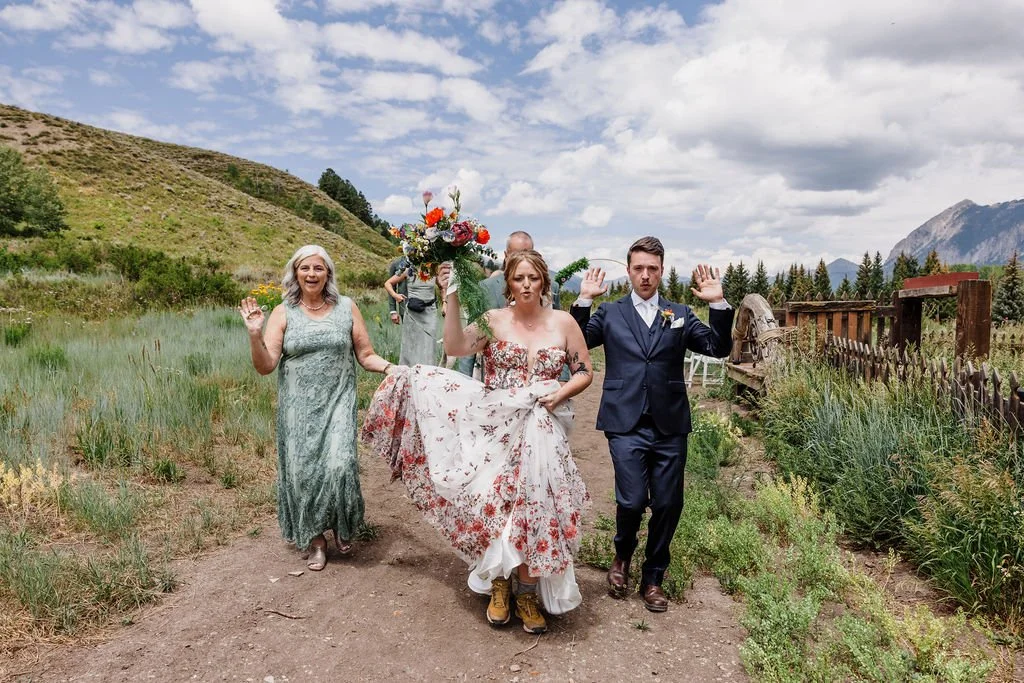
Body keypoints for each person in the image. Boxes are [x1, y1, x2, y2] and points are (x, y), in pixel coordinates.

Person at [361, 250, 593, 634]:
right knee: (497, 504)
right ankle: (499, 585)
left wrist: (561, 392)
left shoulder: (564, 322)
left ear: (544, 282)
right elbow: (454, 347)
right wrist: (451, 296)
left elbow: (584, 371)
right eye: (518, 278)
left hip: (543, 430)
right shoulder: (492, 320)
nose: (526, 285)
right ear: (508, 284)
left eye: (533, 278)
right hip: (496, 427)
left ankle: (528, 594)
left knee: (536, 508)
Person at [570, 236, 734, 612]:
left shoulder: (679, 313)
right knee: (630, 500)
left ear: (661, 271)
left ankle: (653, 576)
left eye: (652, 269)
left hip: (669, 423)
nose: (645, 275)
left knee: (668, 503)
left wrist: (718, 304)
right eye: (639, 268)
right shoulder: (610, 314)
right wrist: (584, 301)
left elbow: (717, 348)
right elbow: (575, 346)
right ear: (629, 271)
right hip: (624, 421)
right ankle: (622, 557)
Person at [239, 244, 394, 572]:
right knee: (304, 475)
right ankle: (316, 540)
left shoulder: (346, 307)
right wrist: (254, 335)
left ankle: (340, 523)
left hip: (338, 402)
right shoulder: (283, 312)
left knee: (340, 465)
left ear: (328, 274)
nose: (311, 274)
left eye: (318, 268)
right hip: (298, 410)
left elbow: (366, 354)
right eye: (305, 268)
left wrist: (390, 368)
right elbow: (266, 366)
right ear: (295, 273)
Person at [455, 231, 562, 378]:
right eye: (516, 254)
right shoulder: (485, 288)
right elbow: (470, 337)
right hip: (496, 378)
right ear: (506, 255)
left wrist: (563, 379)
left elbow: (560, 335)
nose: (522, 259)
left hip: (540, 376)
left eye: (527, 253)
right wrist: (463, 379)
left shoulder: (550, 288)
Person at [385, 260, 440, 366]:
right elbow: (388, 283)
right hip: (412, 313)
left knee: (429, 344)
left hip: (430, 311)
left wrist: (445, 303)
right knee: (411, 344)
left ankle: (428, 371)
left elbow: (443, 286)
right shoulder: (408, 270)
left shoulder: (433, 270)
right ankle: (410, 370)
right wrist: (396, 296)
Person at [387, 256, 408, 324]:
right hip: (405, 308)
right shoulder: (397, 263)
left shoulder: (426, 261)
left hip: (425, 308)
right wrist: (393, 311)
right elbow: (391, 286)